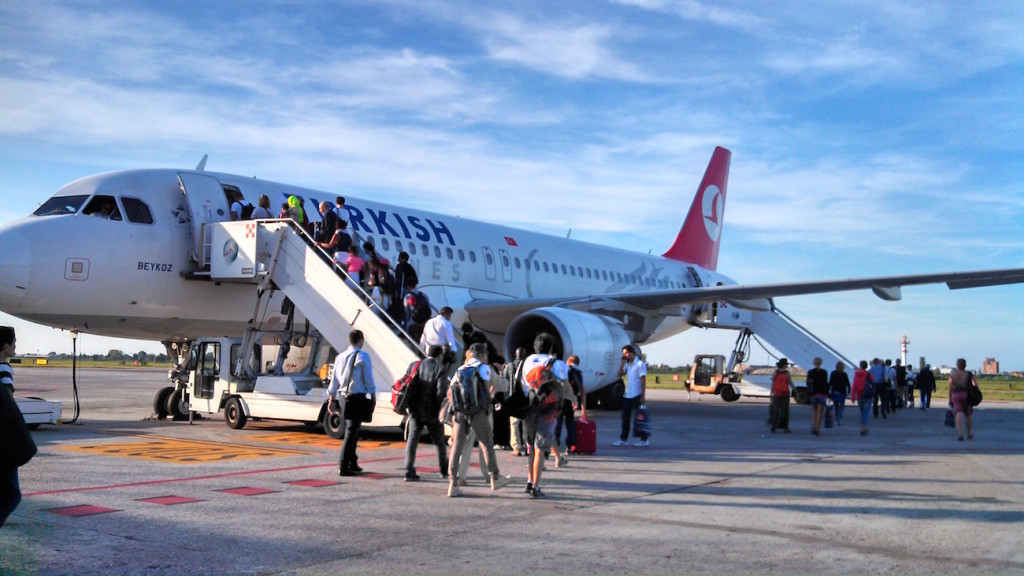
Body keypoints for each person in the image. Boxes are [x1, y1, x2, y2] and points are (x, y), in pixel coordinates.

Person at [446, 343, 512, 497]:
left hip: (461, 413)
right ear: (483, 354)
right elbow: (502, 386)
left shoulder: (460, 369)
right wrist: (502, 374)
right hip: (479, 413)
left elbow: (450, 391)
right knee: (487, 445)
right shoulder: (485, 368)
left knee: (457, 446)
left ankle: (452, 483)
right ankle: (495, 478)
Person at [520, 333, 568, 498]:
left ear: (534, 347)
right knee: (540, 448)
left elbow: (523, 383)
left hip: (530, 406)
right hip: (548, 408)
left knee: (531, 447)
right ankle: (536, 486)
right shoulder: (557, 363)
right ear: (551, 348)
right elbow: (563, 385)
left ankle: (528, 480)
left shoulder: (527, 361)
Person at [327, 330, 375, 476]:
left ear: (349, 340)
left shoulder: (339, 357)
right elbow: (368, 378)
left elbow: (334, 378)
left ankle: (353, 462)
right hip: (356, 397)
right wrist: (372, 394)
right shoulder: (363, 356)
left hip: (343, 397)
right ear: (361, 340)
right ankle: (344, 465)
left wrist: (331, 398)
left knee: (352, 429)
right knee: (351, 431)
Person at [1, 326, 35, 528]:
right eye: (13, 342)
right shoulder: (4, 368)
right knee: (12, 494)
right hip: (4, 437)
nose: (15, 347)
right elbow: (7, 400)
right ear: (5, 346)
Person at [402, 345, 448, 482]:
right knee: (439, 442)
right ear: (440, 355)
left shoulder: (415, 365)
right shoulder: (440, 368)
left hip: (415, 410)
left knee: (412, 440)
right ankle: (444, 470)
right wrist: (438, 406)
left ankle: (408, 470)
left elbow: (406, 383)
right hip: (432, 411)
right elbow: (441, 391)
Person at [613, 344, 648, 446]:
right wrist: (622, 363)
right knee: (625, 418)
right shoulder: (628, 365)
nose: (625, 355)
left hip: (637, 394)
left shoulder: (640, 365)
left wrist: (643, 396)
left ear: (632, 353)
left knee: (639, 418)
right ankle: (623, 439)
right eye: (624, 354)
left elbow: (643, 381)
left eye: (626, 353)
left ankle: (644, 440)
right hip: (628, 395)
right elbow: (619, 375)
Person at [556, 355, 586, 456]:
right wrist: (583, 408)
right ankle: (570, 447)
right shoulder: (579, 373)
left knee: (558, 423)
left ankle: (556, 445)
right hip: (571, 401)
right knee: (570, 424)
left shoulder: (565, 369)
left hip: (561, 400)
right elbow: (582, 390)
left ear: (568, 361)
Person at [504, 346, 529, 456]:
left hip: (513, 396)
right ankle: (528, 445)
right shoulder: (527, 365)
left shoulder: (509, 366)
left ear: (516, 354)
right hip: (525, 397)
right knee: (526, 423)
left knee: (514, 423)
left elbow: (504, 380)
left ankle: (516, 446)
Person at [948, 358, 978, 441]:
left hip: (957, 395)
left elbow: (950, 388)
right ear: (965, 365)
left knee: (958, 414)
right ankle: (969, 433)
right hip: (967, 395)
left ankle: (960, 434)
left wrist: (950, 399)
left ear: (957, 365)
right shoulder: (969, 374)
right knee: (968, 415)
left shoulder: (953, 375)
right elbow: (975, 385)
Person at [768, 358, 794, 433]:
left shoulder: (775, 372)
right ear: (784, 364)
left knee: (775, 411)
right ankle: (785, 427)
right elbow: (789, 382)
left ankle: (773, 426)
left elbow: (773, 383)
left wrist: (771, 392)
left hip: (776, 393)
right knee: (785, 411)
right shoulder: (787, 373)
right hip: (785, 393)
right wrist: (795, 390)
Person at [850, 360, 874, 436]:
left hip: (860, 396)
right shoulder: (869, 374)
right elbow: (873, 384)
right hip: (868, 395)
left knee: (862, 412)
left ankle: (863, 427)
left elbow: (854, 386)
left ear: (860, 366)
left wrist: (853, 397)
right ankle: (863, 428)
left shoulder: (857, 374)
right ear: (866, 366)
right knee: (865, 413)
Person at [807, 357, 829, 435]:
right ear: (821, 363)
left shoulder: (810, 372)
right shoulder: (824, 372)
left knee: (814, 411)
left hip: (813, 394)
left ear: (814, 363)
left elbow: (808, 383)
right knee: (820, 412)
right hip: (822, 394)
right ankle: (817, 429)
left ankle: (814, 425)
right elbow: (826, 383)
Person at [828, 361, 851, 426]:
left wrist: (827, 390)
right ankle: (839, 418)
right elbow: (847, 384)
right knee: (842, 406)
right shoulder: (844, 374)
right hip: (842, 392)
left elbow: (830, 383)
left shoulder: (833, 373)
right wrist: (849, 391)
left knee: (836, 405)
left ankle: (836, 416)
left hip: (834, 391)